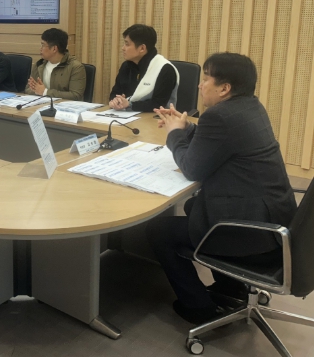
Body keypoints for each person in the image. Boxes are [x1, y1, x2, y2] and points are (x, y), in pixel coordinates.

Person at [146, 53, 297, 325]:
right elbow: (221, 143)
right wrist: (185, 127)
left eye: (206, 79)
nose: (200, 85)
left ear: (224, 88)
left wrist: (174, 134)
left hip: (253, 234)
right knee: (192, 205)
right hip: (277, 222)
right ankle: (231, 287)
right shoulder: (250, 106)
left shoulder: (219, 116)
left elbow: (192, 167)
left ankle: (198, 307)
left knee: (159, 231)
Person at [108, 24, 179, 111]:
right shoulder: (126, 66)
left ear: (142, 48)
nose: (123, 48)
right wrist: (115, 101)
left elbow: (158, 104)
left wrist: (129, 104)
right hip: (125, 115)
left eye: (127, 44)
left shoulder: (165, 69)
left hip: (156, 117)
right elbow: (115, 93)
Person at [25, 28, 86, 100]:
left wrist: (45, 92)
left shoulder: (75, 67)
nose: (40, 49)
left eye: (43, 45)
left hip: (64, 106)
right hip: (41, 104)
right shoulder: (39, 65)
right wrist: (37, 90)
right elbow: (28, 89)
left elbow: (76, 95)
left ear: (54, 49)